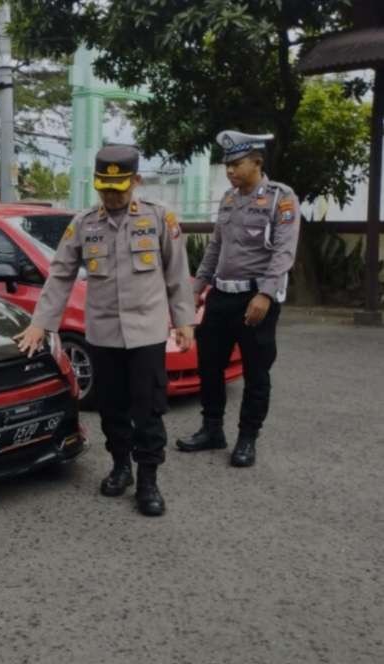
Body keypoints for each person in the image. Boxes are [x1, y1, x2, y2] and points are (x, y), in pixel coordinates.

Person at [15, 145, 195, 516]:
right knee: (111, 407)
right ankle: (120, 467)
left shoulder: (159, 218)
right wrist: (40, 323)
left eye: (119, 187)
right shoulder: (84, 224)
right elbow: (60, 275)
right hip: (103, 335)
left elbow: (177, 274)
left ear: (136, 182)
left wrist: (184, 322)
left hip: (146, 334)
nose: (111, 195)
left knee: (148, 410)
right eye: (105, 188)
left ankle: (148, 480)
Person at [176, 130, 300, 467]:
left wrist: (265, 294)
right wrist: (196, 289)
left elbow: (285, 251)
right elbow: (215, 248)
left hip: (255, 299)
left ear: (257, 162)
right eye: (227, 164)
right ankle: (212, 429)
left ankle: (247, 438)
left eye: (236, 163)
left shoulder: (281, 197)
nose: (230, 170)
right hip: (221, 296)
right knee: (209, 366)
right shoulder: (229, 199)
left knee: (256, 372)